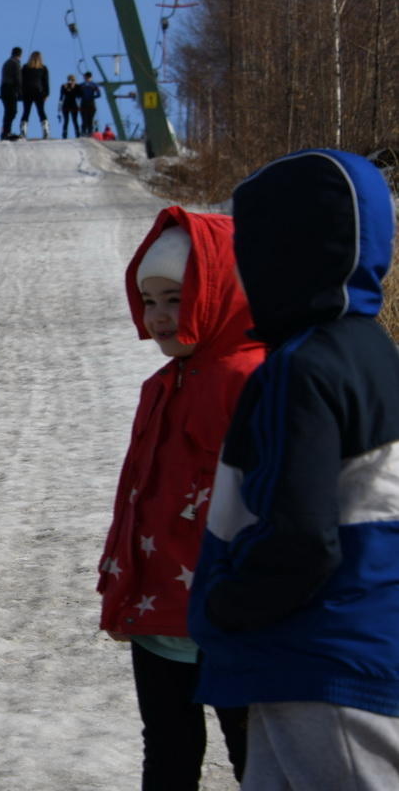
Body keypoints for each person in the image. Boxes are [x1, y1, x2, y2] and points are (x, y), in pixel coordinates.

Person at [189, 149, 399, 791]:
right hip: (352, 649)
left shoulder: (300, 368)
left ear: (283, 252)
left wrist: (226, 604)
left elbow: (302, 537)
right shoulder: (377, 352)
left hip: (322, 658)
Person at [99, 208, 262, 789]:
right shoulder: (162, 385)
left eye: (176, 297)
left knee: (255, 756)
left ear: (219, 293)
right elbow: (136, 498)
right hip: (160, 616)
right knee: (167, 751)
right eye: (150, 302)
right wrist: (120, 586)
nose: (161, 316)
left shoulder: (250, 380)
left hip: (233, 617)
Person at [20, 51, 50, 139]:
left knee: (26, 112)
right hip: (39, 92)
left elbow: (21, 81)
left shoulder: (25, 67)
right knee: (41, 111)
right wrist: (46, 93)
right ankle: (46, 130)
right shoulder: (43, 68)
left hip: (27, 92)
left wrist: (21, 93)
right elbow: (46, 82)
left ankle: (23, 131)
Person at [0, 46, 22, 141]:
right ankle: (6, 132)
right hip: (11, 89)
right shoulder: (16, 64)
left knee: (8, 111)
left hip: (3, 89)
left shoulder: (6, 63)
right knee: (12, 111)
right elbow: (18, 79)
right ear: (20, 55)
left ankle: (5, 131)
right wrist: (20, 92)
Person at [78, 71, 101, 136]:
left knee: (86, 119)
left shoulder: (81, 85)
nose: (86, 78)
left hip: (86, 103)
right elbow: (99, 94)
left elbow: (77, 95)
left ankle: (86, 132)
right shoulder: (93, 85)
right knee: (88, 119)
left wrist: (82, 96)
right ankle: (88, 132)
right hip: (89, 103)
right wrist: (93, 97)